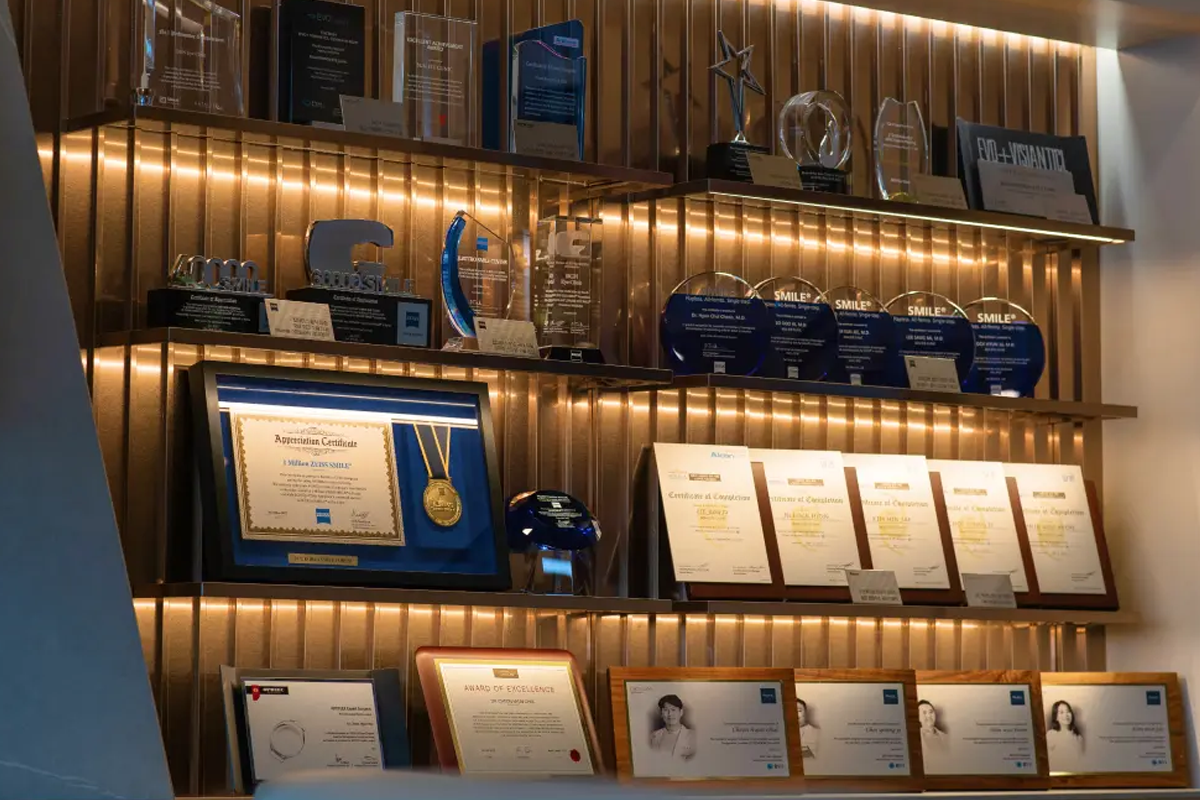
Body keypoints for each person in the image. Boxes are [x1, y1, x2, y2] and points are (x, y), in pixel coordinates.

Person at [650, 694, 696, 760]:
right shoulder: (653, 736)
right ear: (661, 714)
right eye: (666, 710)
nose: (670, 714)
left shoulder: (693, 736)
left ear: (681, 712)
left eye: (673, 710)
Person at [1046, 700, 1084, 767]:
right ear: (1056, 717)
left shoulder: (1078, 738)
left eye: (1068, 711)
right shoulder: (1051, 735)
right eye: (1061, 712)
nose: (1066, 715)